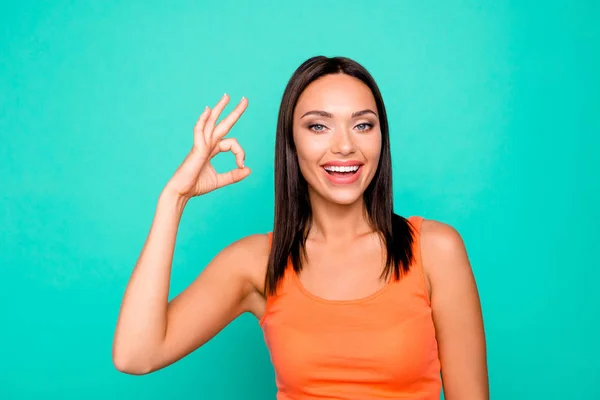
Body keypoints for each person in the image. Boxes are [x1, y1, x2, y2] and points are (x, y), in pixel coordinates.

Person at [112, 56, 489, 399]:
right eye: (319, 126)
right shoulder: (258, 262)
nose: (344, 146)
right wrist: (174, 198)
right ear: (291, 142)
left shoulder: (434, 250)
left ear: (380, 139)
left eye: (362, 125)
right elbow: (136, 355)